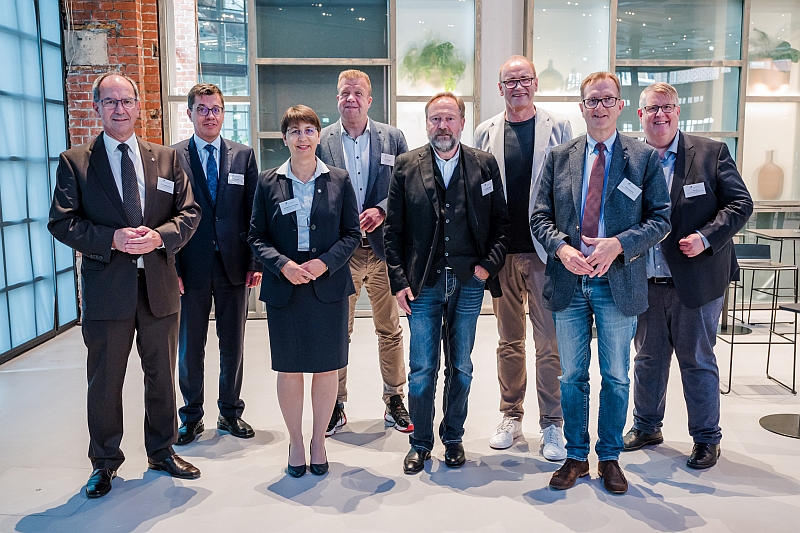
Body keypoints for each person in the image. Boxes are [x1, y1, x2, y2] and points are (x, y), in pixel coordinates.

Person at [48, 71, 201, 498]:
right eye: (110, 102)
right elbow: (61, 222)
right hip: (106, 288)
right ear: (95, 107)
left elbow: (189, 213)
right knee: (105, 379)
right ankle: (104, 462)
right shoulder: (76, 161)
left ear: (139, 105)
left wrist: (161, 236)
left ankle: (163, 450)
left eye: (127, 101)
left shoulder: (166, 158)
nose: (120, 109)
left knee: (161, 375)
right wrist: (109, 239)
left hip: (159, 286)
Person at [531, 72, 670, 494]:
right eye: (592, 100)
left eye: (608, 99)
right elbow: (539, 217)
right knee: (572, 375)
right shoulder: (560, 156)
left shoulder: (642, 158)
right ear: (581, 107)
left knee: (616, 375)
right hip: (570, 283)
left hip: (618, 282)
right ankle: (576, 457)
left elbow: (660, 218)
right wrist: (562, 249)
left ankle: (609, 457)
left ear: (620, 105)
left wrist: (619, 245)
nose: (600, 107)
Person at [622, 82, 753, 469]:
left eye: (667, 107)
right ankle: (647, 425)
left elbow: (741, 203)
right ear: (640, 115)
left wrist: (706, 237)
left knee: (696, 360)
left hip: (696, 280)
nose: (659, 115)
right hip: (645, 280)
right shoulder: (632, 159)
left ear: (677, 112)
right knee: (647, 358)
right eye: (651, 109)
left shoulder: (710, 153)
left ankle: (706, 438)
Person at [385, 92, 510, 474]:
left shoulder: (484, 165)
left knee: (462, 365)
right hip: (423, 284)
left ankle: (453, 437)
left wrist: (487, 267)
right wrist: (398, 281)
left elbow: (501, 226)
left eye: (449, 119)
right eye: (435, 120)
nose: (442, 126)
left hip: (469, 283)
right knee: (422, 368)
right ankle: (420, 442)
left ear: (461, 121)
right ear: (427, 124)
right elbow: (393, 232)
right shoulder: (407, 166)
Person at [249, 105, 360, 478]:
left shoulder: (339, 180)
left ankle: (318, 440)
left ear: (318, 136)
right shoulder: (267, 183)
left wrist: (324, 263)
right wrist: (282, 265)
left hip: (327, 287)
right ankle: (296, 441)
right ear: (285, 139)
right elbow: (255, 236)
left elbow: (352, 234)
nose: (302, 137)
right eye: (294, 131)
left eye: (309, 130)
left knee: (326, 368)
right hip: (285, 287)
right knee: (290, 369)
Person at [474, 55, 571, 458]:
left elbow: (566, 188)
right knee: (508, 341)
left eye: (524, 79)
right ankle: (511, 415)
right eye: (510, 81)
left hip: (543, 253)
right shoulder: (485, 131)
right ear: (500, 89)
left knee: (548, 343)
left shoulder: (559, 127)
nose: (518, 86)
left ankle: (552, 424)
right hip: (502, 253)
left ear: (535, 84)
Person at [317, 69, 412, 436]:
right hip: (343, 252)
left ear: (370, 100)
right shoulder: (322, 141)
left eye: (358, 93)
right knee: (340, 330)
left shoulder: (392, 138)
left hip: (385, 250)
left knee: (389, 329)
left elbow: (406, 187)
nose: (351, 99)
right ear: (337, 99)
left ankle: (394, 399)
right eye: (344, 93)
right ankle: (336, 404)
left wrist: (383, 209)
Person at [172, 83, 261, 446]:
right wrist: (171, 267)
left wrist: (255, 261)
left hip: (234, 265)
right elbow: (167, 214)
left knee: (233, 344)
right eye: (202, 109)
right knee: (190, 346)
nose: (210, 115)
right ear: (190, 113)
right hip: (189, 266)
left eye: (216, 109)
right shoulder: (171, 157)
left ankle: (230, 412)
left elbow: (254, 214)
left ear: (223, 113)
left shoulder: (243, 156)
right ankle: (191, 416)